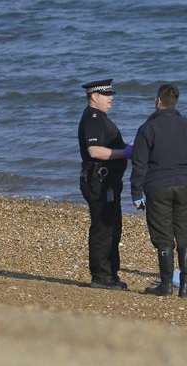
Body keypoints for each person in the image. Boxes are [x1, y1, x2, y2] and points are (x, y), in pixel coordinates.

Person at [130, 84, 187, 297]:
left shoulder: (147, 128)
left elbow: (139, 164)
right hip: (184, 185)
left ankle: (165, 285)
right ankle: (184, 287)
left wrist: (136, 194)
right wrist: (183, 163)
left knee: (163, 236)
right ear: (175, 102)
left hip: (157, 187)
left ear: (157, 102)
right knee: (185, 235)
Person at [78, 79, 133, 290]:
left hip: (107, 181)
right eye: (107, 94)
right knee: (103, 226)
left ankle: (110, 273)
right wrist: (125, 153)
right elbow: (95, 151)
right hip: (99, 181)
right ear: (94, 96)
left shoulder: (101, 118)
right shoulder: (93, 118)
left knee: (112, 225)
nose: (111, 98)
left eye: (111, 94)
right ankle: (101, 276)